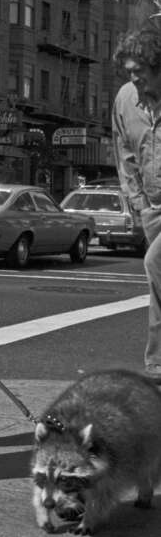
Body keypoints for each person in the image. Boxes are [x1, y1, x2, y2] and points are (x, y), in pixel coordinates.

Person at [112, 23, 161, 382]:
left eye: (139, 72)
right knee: (157, 280)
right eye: (129, 72)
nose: (133, 80)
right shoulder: (126, 99)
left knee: (155, 262)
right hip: (154, 207)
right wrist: (138, 201)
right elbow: (125, 151)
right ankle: (158, 364)